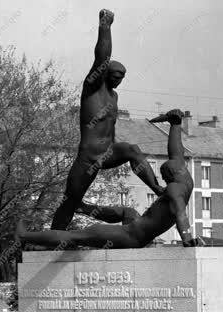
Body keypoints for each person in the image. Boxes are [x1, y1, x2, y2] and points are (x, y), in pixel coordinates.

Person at [16, 109, 201, 249]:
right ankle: (84, 208)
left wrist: (187, 238)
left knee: (76, 236)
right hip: (137, 224)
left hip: (131, 236)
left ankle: (24, 236)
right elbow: (176, 150)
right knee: (127, 211)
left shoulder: (174, 190)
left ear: (169, 177)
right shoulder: (185, 178)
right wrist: (175, 124)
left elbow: (180, 215)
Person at [50, 9, 164, 231]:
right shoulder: (92, 88)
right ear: (104, 74)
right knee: (70, 201)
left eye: (122, 78)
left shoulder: (114, 96)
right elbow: (102, 57)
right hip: (88, 156)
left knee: (132, 149)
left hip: (108, 151)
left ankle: (157, 188)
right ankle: (51, 239)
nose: (119, 81)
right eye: (115, 76)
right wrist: (105, 25)